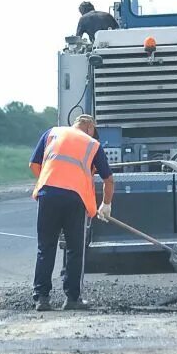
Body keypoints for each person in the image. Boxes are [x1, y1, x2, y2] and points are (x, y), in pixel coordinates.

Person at [29, 114, 115, 312]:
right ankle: (72, 298)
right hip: (75, 199)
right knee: (75, 249)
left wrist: (53, 180)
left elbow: (35, 165)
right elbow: (108, 179)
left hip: (47, 194)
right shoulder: (93, 144)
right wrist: (106, 204)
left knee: (46, 247)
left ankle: (42, 298)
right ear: (90, 127)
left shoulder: (51, 133)